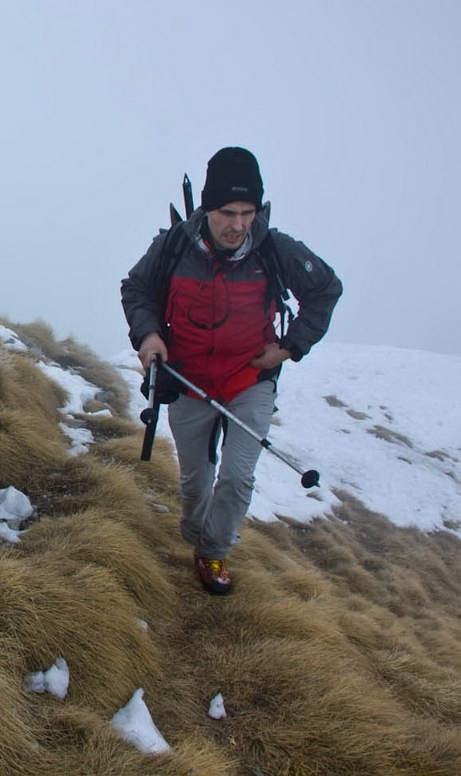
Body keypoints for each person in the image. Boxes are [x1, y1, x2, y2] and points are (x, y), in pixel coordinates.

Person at [120, 147, 342, 595]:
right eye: (227, 212)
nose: (238, 224)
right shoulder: (175, 246)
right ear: (206, 208)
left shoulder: (275, 250)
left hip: (248, 382)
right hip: (188, 382)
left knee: (238, 478)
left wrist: (289, 347)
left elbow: (325, 289)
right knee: (195, 482)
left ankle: (213, 551)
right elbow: (137, 288)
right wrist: (148, 337)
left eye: (248, 212)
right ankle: (196, 532)